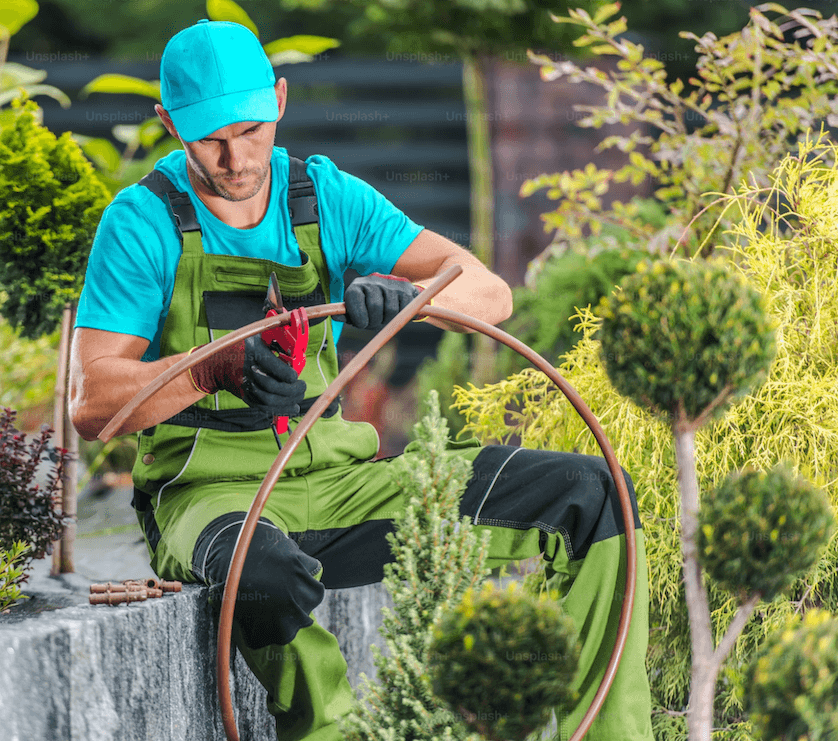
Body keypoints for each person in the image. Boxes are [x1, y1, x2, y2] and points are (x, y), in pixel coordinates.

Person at [69, 19, 655, 741]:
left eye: (250, 130)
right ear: (168, 123)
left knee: (593, 495)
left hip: (346, 482)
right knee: (263, 572)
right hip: (212, 498)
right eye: (210, 139)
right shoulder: (142, 222)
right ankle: (334, 731)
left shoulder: (327, 196)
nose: (235, 156)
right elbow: (94, 403)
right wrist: (214, 367)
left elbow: (489, 294)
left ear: (280, 99)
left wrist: (410, 302)